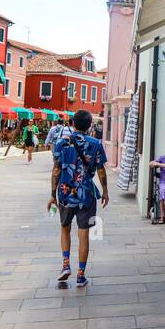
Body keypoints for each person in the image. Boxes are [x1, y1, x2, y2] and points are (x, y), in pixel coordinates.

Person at [48, 109, 108, 289]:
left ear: (73, 123)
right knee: (84, 233)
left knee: (65, 228)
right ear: (90, 125)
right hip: (86, 194)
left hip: (65, 192)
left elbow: (57, 169)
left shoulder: (61, 143)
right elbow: (101, 170)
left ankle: (66, 265)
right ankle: (81, 275)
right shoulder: (95, 143)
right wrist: (105, 191)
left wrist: (52, 194)